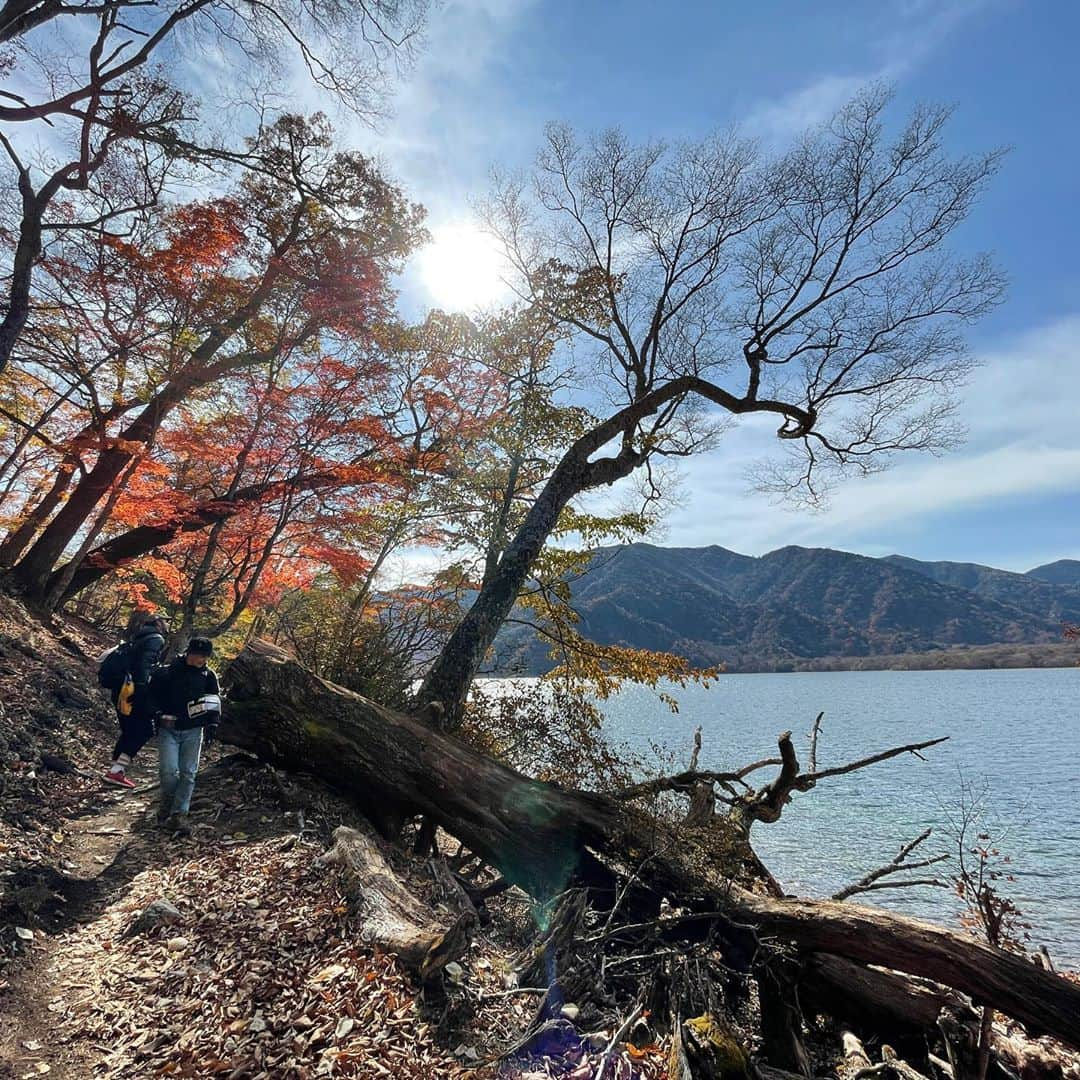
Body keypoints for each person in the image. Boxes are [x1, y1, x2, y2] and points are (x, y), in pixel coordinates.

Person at [150, 636, 221, 835]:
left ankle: (178, 814)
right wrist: (156, 714)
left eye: (205, 656)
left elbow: (213, 701)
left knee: (189, 773)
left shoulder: (208, 676)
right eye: (199, 655)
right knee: (168, 771)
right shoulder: (168, 672)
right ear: (190, 653)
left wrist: (213, 723)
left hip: (194, 730)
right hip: (168, 729)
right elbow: (151, 696)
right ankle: (167, 803)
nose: (202, 660)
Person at [103, 611, 167, 789]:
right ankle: (116, 770)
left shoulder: (137, 638)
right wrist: (143, 691)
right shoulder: (155, 639)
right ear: (158, 624)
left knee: (129, 729)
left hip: (121, 689)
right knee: (144, 730)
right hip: (133, 691)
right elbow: (144, 667)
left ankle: (116, 769)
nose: (166, 626)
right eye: (164, 622)